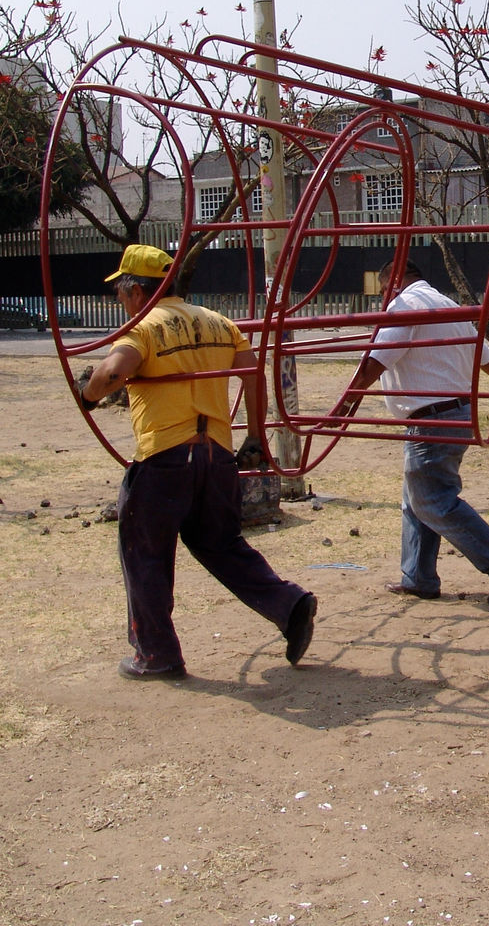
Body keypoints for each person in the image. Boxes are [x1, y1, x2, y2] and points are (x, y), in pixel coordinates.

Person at [77, 244, 317, 678]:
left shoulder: (144, 327)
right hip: (216, 456)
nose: (119, 301)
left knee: (146, 554)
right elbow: (253, 375)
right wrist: (257, 436)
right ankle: (289, 605)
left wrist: (88, 393)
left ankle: (157, 654)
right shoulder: (219, 323)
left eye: (120, 292)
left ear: (135, 290)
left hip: (164, 457)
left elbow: (113, 373)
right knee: (220, 544)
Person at [338, 258, 489, 604]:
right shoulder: (447, 304)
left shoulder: (404, 305)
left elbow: (377, 359)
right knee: (416, 499)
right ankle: (418, 577)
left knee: (431, 499)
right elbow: (481, 353)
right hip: (456, 413)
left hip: (432, 417)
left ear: (393, 281)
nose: (383, 298)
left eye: (382, 291)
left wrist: (346, 403)